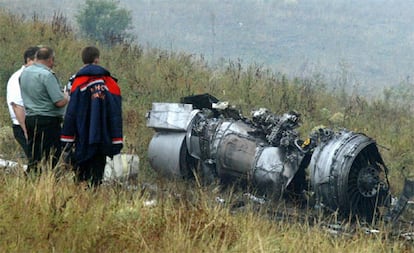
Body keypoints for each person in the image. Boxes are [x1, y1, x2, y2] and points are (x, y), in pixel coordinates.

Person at [61, 46, 123, 186]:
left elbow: (71, 113)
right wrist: (116, 141)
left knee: (80, 178)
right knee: (96, 178)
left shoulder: (76, 82)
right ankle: (94, 197)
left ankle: (81, 202)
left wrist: (67, 138)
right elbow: (115, 114)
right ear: (97, 59)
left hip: (81, 138)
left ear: (83, 60)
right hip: (103, 138)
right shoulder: (111, 84)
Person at [19, 46, 69, 172]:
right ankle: (52, 182)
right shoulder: (47, 75)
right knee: (53, 157)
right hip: (48, 121)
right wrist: (67, 96)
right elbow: (59, 101)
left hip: (30, 118)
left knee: (35, 156)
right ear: (50, 59)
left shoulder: (24, 73)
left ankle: (32, 180)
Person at [6, 46, 39, 158]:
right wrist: (26, 131)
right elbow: (17, 105)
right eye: (38, 61)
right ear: (29, 60)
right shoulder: (18, 77)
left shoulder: (35, 76)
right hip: (23, 125)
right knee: (34, 159)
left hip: (35, 124)